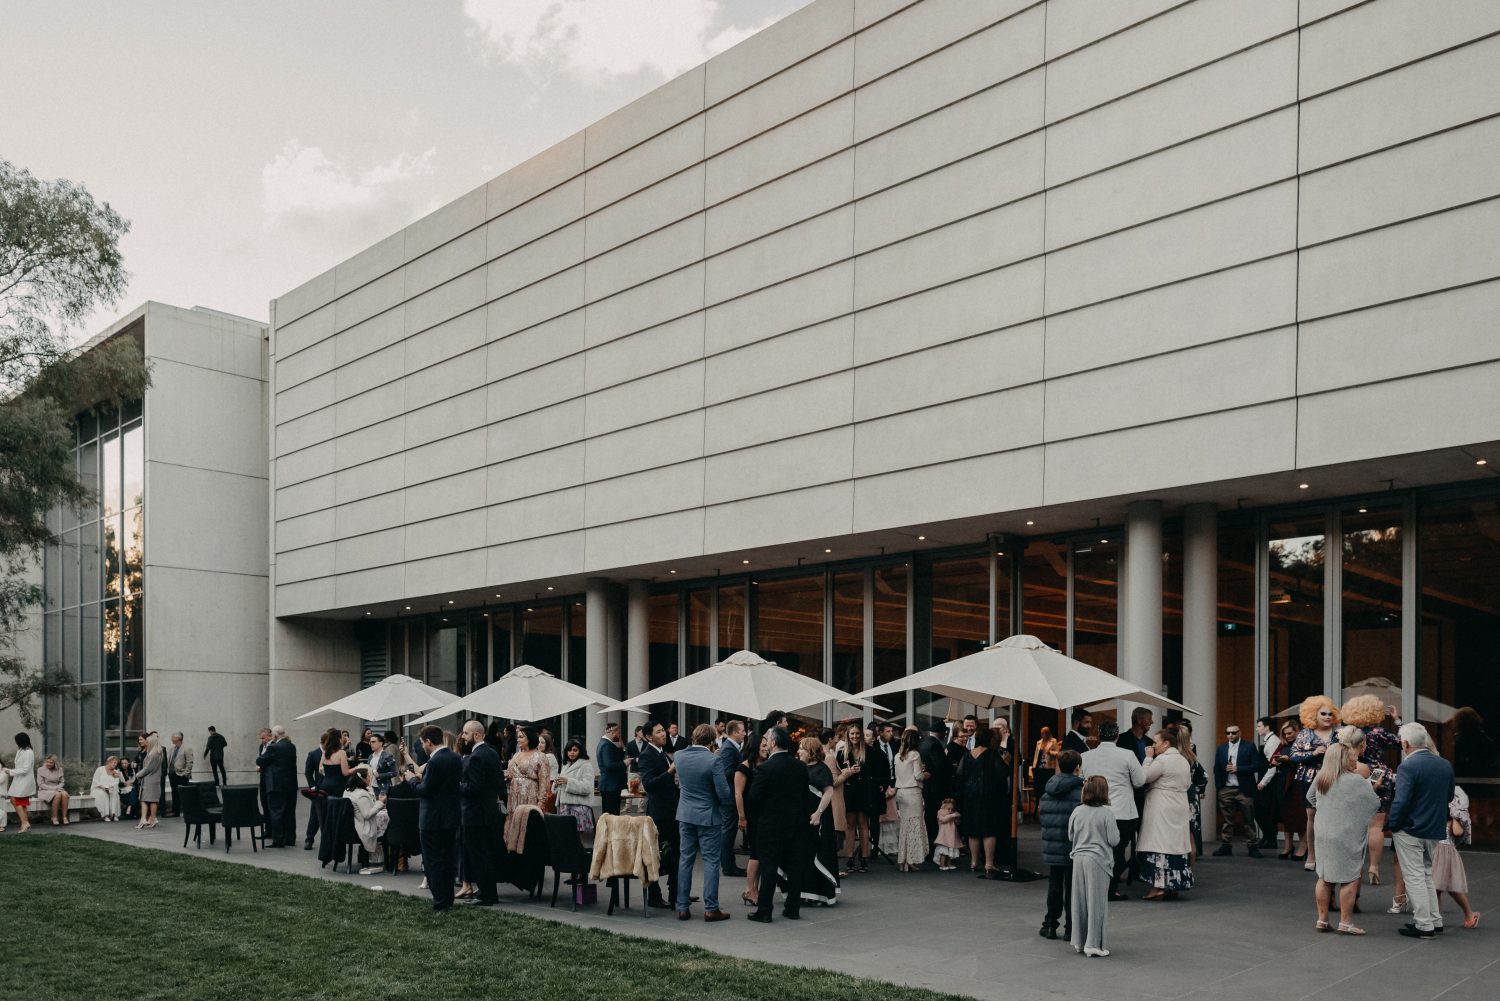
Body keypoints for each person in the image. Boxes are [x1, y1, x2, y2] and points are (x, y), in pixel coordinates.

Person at [1305, 725, 1381, 934]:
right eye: (1352, 758)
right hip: (1346, 834)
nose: (1355, 761)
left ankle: (1322, 920)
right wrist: (1373, 788)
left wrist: (1327, 808)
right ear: (1344, 759)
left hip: (1323, 832)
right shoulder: (1356, 780)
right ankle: (1346, 922)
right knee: (1350, 877)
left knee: (1324, 877)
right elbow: (1374, 804)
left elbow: (1310, 798)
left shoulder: (1322, 777)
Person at [1385, 721, 1456, 939]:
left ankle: (1424, 924)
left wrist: (1392, 824)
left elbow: (1401, 801)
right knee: (1426, 874)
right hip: (1434, 827)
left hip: (1411, 828)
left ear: (1405, 743)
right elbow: (1449, 796)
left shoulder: (1408, 766)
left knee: (1415, 876)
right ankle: (1434, 920)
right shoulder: (1444, 764)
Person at [747, 727, 809, 923]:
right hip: (795, 824)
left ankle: (765, 910)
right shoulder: (800, 766)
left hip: (771, 825)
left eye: (767, 740)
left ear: (773, 743)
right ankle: (793, 908)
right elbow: (805, 797)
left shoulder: (765, 768)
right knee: (795, 867)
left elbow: (754, 798)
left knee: (769, 867)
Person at [675, 723, 734, 921]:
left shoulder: (679, 756)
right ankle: (711, 908)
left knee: (685, 859)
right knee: (711, 861)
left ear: (693, 737)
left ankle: (682, 907)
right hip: (708, 816)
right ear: (712, 740)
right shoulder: (713, 760)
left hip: (685, 814)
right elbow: (724, 793)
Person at [1082, 720, 1145, 901]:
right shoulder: (1127, 755)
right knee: (1117, 850)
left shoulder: (1085, 756)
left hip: (1094, 809)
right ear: (1117, 736)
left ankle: (1095, 885)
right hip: (1121, 811)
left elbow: (1081, 779)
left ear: (1099, 736)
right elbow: (1140, 781)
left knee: (1096, 848)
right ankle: (1111, 887)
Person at [1341, 694, 1401, 885]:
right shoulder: (1378, 732)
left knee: (1352, 822)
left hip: (1353, 773)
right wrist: (1397, 720)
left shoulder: (1345, 733)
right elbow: (1402, 742)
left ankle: (1352, 866)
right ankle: (1374, 867)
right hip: (1377, 775)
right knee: (1376, 824)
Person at [404, 725, 462, 912]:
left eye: (422, 743)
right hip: (450, 816)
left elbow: (424, 790)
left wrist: (411, 779)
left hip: (432, 819)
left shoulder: (435, 761)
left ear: (429, 742)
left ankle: (440, 901)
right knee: (447, 860)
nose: (422, 747)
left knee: (433, 861)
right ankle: (447, 898)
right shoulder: (455, 758)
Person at [1137, 726, 1193, 900]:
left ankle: (1158, 887)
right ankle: (1172, 884)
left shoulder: (1162, 760)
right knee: (1174, 845)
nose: (1153, 746)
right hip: (1179, 804)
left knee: (1159, 844)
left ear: (1166, 743)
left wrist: (1148, 758)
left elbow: (1144, 777)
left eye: (1155, 742)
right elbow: (1188, 783)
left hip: (1162, 805)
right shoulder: (1183, 760)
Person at [1069, 775, 1120, 958]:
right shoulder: (1107, 814)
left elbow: (1070, 835)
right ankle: (1093, 943)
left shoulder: (1077, 811)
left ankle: (1079, 941)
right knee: (1096, 902)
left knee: (1079, 902)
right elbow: (1114, 840)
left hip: (1078, 858)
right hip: (1098, 859)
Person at [1289, 695, 1340, 872]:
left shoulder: (1339, 733)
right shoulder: (1305, 734)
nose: (1327, 717)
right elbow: (1293, 756)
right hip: (1309, 779)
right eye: (1323, 714)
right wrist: (1313, 753)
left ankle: (1330, 857)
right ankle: (1311, 855)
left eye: (1330, 714)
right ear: (1313, 715)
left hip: (1334, 778)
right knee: (1312, 817)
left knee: (1333, 818)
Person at [1039, 749, 1084, 941]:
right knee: (1073, 888)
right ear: (1077, 767)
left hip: (1052, 844)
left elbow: (1043, 817)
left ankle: (1050, 924)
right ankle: (1070, 928)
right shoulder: (1081, 792)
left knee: (1054, 885)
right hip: (1073, 845)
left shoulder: (1048, 790)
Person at [457, 720, 503, 905]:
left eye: (465, 733)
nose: (463, 737)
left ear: (476, 735)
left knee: (479, 855)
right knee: (486, 853)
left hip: (475, 813)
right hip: (488, 811)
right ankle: (487, 892)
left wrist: (457, 785)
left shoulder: (476, 756)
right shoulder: (492, 752)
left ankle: (487, 894)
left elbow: (475, 787)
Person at [955, 726, 1009, 878]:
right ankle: (989, 864)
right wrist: (1006, 761)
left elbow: (959, 774)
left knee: (973, 831)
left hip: (970, 796)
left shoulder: (967, 755)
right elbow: (1003, 773)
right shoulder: (992, 754)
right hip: (988, 796)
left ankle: (973, 862)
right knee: (989, 830)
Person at [638, 719, 681, 909]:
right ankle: (655, 895)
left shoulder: (662, 752)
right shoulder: (647, 755)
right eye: (658, 732)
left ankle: (676, 892)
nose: (663, 734)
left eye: (663, 730)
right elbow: (649, 784)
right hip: (660, 813)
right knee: (656, 854)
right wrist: (670, 773)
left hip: (672, 810)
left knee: (676, 852)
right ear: (649, 737)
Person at [799, 736, 840, 906]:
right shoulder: (801, 767)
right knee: (805, 854)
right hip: (804, 816)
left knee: (819, 852)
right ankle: (805, 891)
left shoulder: (822, 769)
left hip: (819, 817)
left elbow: (829, 792)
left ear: (810, 751)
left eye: (802, 748)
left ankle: (821, 893)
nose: (799, 751)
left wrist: (818, 813)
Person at [1212, 722, 1264, 857]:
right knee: (1227, 820)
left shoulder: (1249, 746)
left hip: (1244, 789)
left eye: (1234, 733)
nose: (1231, 735)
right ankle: (1226, 846)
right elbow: (1216, 768)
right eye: (1228, 733)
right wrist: (1219, 787)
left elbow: (1257, 765)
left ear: (1239, 733)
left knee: (1249, 819)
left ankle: (1252, 846)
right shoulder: (1221, 748)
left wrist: (1238, 769)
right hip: (1226, 789)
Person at [1433, 785, 1480, 929]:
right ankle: (1435, 919)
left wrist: (1455, 815)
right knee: (1435, 888)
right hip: (1435, 851)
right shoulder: (1434, 814)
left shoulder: (1455, 816)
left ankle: (1468, 914)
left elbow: (1458, 832)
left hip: (1446, 853)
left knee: (1448, 887)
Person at [837, 723, 881, 873]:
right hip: (849, 792)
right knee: (850, 825)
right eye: (852, 734)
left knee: (863, 825)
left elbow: (875, 772)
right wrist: (849, 771)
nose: (855, 736)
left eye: (857, 733)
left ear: (860, 735)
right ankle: (850, 858)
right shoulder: (842, 752)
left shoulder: (869, 751)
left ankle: (864, 858)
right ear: (848, 735)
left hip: (865, 792)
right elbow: (838, 773)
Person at [503, 726, 553, 849]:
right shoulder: (516, 755)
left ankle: (527, 851)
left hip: (530, 795)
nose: (518, 740)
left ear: (529, 738)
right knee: (514, 820)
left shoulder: (540, 756)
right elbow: (510, 773)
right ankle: (513, 849)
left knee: (528, 822)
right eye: (518, 737)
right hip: (514, 795)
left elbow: (544, 780)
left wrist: (541, 801)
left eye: (521, 737)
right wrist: (508, 777)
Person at [735, 731, 766, 907]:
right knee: (755, 853)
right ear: (755, 747)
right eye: (763, 745)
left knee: (761, 854)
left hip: (764, 814)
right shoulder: (744, 767)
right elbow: (738, 794)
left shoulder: (764, 765)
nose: (767, 748)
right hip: (751, 815)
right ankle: (750, 889)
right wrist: (742, 817)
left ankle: (755, 888)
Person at [310, 726, 353, 849]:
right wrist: (357, 768)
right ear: (338, 739)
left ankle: (327, 844)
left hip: (325, 786)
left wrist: (329, 772)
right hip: (338, 787)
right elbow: (345, 772)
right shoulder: (341, 753)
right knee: (338, 816)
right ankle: (337, 844)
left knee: (326, 816)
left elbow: (320, 769)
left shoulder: (325, 753)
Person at [255, 725, 298, 848]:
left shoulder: (274, 747)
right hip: (291, 784)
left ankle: (278, 840)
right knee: (290, 812)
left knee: (276, 812)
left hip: (276, 785)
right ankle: (290, 838)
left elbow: (260, 760)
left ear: (274, 735)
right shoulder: (291, 746)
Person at [1270, 720, 1306, 859]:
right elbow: (1273, 757)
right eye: (1285, 734)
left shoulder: (1304, 744)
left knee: (1300, 816)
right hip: (1283, 782)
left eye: (1290, 733)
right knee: (1285, 815)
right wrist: (1274, 760)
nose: (1287, 736)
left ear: (1298, 731)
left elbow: (1306, 761)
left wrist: (1289, 759)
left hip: (1298, 783)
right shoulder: (1283, 744)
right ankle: (1288, 846)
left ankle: (1303, 846)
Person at [892, 727, 927, 871]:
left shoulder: (897, 756)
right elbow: (918, 775)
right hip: (912, 791)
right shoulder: (915, 755)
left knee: (905, 827)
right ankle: (911, 859)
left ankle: (903, 860)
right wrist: (926, 774)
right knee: (914, 826)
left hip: (900, 791)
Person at [717, 719, 747, 877]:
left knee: (728, 832)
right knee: (728, 833)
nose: (745, 733)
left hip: (730, 796)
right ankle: (728, 866)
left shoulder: (732, 747)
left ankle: (728, 864)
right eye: (742, 731)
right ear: (734, 733)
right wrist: (743, 770)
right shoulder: (729, 748)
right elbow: (727, 772)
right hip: (729, 797)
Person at [346, 765, 389, 873]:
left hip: (351, 825)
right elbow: (367, 814)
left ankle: (365, 857)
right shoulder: (361, 794)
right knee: (387, 829)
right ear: (363, 779)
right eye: (369, 776)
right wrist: (380, 803)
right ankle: (388, 862)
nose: (370, 778)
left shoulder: (348, 791)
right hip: (362, 827)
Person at [918, 720, 952, 858]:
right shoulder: (935, 745)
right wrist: (951, 766)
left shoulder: (925, 743)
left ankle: (930, 848)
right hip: (936, 788)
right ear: (942, 732)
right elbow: (940, 766)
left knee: (930, 819)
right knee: (934, 820)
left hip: (929, 788)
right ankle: (934, 850)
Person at [554, 739, 597, 833]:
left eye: (575, 750)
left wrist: (568, 782)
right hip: (564, 806)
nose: (571, 753)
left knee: (576, 836)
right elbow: (560, 786)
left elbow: (587, 787)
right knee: (565, 835)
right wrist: (557, 783)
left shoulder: (586, 765)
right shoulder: (566, 765)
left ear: (580, 751)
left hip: (578, 807)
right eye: (569, 750)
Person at [1253, 716, 1283, 850]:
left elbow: (1274, 765)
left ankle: (1270, 839)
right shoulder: (1270, 740)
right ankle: (1268, 838)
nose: (1257, 729)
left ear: (1267, 727)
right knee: (1263, 810)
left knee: (1264, 810)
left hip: (1270, 782)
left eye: (1259, 726)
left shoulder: (1272, 742)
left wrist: (1263, 783)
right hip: (1268, 781)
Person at [134, 732, 167, 829]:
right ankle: (152, 819)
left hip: (149, 779)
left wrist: (138, 774)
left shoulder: (152, 754)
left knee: (144, 799)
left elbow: (148, 768)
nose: (146, 743)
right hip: (155, 779)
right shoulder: (158, 753)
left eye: (148, 742)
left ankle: (144, 819)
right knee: (153, 800)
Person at [596, 721, 627, 818]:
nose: (619, 735)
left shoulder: (605, 743)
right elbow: (609, 765)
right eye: (619, 733)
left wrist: (622, 747)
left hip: (610, 785)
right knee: (612, 815)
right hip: (610, 785)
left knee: (610, 815)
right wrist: (624, 763)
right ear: (613, 732)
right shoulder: (606, 745)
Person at [166, 732, 194, 817]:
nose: (171, 738)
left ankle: (187, 812)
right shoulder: (172, 749)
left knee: (184, 794)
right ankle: (175, 811)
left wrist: (185, 774)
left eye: (172, 737)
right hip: (172, 774)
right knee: (174, 793)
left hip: (182, 775)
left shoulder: (187, 748)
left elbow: (190, 762)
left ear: (178, 738)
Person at [1031, 726, 1058, 810]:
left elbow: (1057, 753)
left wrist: (1051, 752)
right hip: (1040, 766)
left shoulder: (1053, 741)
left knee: (1048, 785)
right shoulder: (1039, 742)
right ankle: (1040, 803)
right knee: (1040, 785)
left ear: (1047, 733)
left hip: (1049, 766)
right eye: (1041, 733)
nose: (1042, 735)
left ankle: (1048, 802)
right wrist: (1034, 766)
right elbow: (1036, 755)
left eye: (1044, 733)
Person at [36, 755, 69, 826]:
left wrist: (58, 787)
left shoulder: (60, 769)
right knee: (57, 794)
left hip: (57, 788)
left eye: (51, 762)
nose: (49, 764)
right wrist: (54, 789)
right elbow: (41, 784)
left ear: (55, 763)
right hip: (44, 790)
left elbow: (62, 782)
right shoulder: (40, 770)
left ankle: (64, 817)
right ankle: (54, 817)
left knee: (65, 794)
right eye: (47, 762)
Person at [91, 756, 123, 821]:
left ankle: (113, 814)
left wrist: (110, 788)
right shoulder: (100, 769)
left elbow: (116, 782)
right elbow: (95, 781)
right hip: (99, 789)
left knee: (114, 794)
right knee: (104, 795)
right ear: (109, 762)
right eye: (114, 763)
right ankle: (106, 815)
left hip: (110, 789)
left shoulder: (116, 772)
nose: (115, 764)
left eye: (116, 763)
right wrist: (104, 788)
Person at [934, 797, 961, 870]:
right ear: (944, 807)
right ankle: (942, 865)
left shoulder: (952, 814)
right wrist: (952, 815)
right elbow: (943, 820)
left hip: (951, 837)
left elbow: (957, 823)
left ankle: (949, 864)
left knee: (949, 852)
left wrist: (957, 818)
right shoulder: (940, 813)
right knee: (943, 852)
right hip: (944, 837)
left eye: (952, 809)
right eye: (948, 809)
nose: (950, 810)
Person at [367, 732, 396, 797]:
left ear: (381, 743)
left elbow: (394, 772)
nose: (371, 744)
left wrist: (380, 775)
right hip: (371, 787)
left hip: (383, 787)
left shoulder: (387, 756)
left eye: (373, 742)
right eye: (370, 742)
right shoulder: (370, 756)